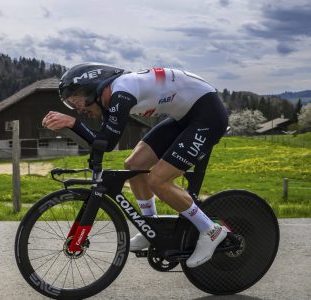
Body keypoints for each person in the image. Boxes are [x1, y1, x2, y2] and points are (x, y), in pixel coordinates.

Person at [42, 62, 228, 268]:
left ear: (95, 88)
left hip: (207, 116)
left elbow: (107, 143)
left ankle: (211, 230)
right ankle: (151, 226)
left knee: (158, 180)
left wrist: (73, 124)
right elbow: (101, 142)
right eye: (71, 104)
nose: (78, 108)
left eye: (77, 100)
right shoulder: (115, 94)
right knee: (134, 165)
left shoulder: (121, 93)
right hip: (185, 117)